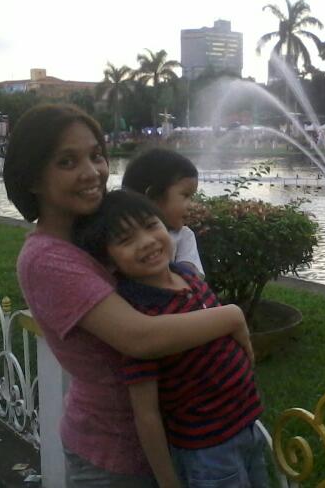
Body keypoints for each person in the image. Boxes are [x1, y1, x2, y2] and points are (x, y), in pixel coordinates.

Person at [3, 104, 253, 487]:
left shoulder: (91, 233)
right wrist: (231, 315)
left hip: (180, 438)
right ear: (34, 177)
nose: (92, 173)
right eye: (67, 162)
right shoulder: (48, 259)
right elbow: (140, 337)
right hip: (114, 456)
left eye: (96, 155)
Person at [72, 189, 269, 488]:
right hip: (208, 452)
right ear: (109, 262)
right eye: (126, 240)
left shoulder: (187, 278)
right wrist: (167, 481)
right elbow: (146, 413)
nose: (148, 241)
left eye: (151, 226)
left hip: (247, 427)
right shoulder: (141, 315)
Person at [122, 148, 204, 277]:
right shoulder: (119, 236)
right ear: (153, 196)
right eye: (186, 195)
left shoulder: (184, 236)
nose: (192, 205)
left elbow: (193, 278)